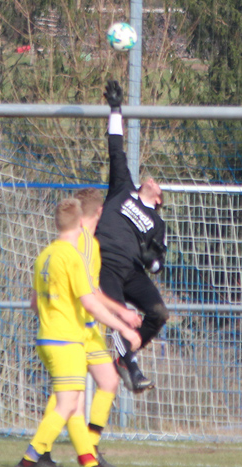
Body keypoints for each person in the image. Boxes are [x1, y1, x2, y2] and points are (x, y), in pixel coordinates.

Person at [13, 198, 140, 467]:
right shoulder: (73, 257)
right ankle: (27, 461)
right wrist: (125, 328)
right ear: (80, 221)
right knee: (66, 404)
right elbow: (91, 303)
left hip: (46, 338)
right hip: (67, 340)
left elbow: (33, 303)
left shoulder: (44, 255)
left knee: (72, 405)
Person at [96, 80, 169, 393]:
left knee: (159, 313)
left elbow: (157, 264)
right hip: (106, 262)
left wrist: (152, 259)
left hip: (132, 271)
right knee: (116, 313)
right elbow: (115, 149)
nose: (154, 180)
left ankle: (128, 358)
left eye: (159, 185)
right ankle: (131, 366)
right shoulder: (123, 188)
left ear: (159, 199)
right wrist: (115, 109)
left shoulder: (157, 222)